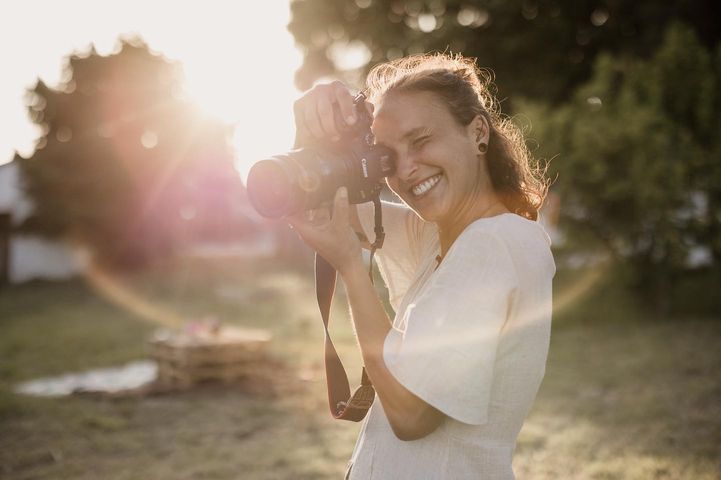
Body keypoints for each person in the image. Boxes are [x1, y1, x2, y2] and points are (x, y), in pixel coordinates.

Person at [288, 53, 555, 480]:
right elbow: (320, 204)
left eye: (421, 140)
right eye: (389, 157)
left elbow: (412, 415)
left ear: (478, 133)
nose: (407, 169)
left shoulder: (496, 243)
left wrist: (352, 270)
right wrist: (315, 125)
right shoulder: (441, 236)